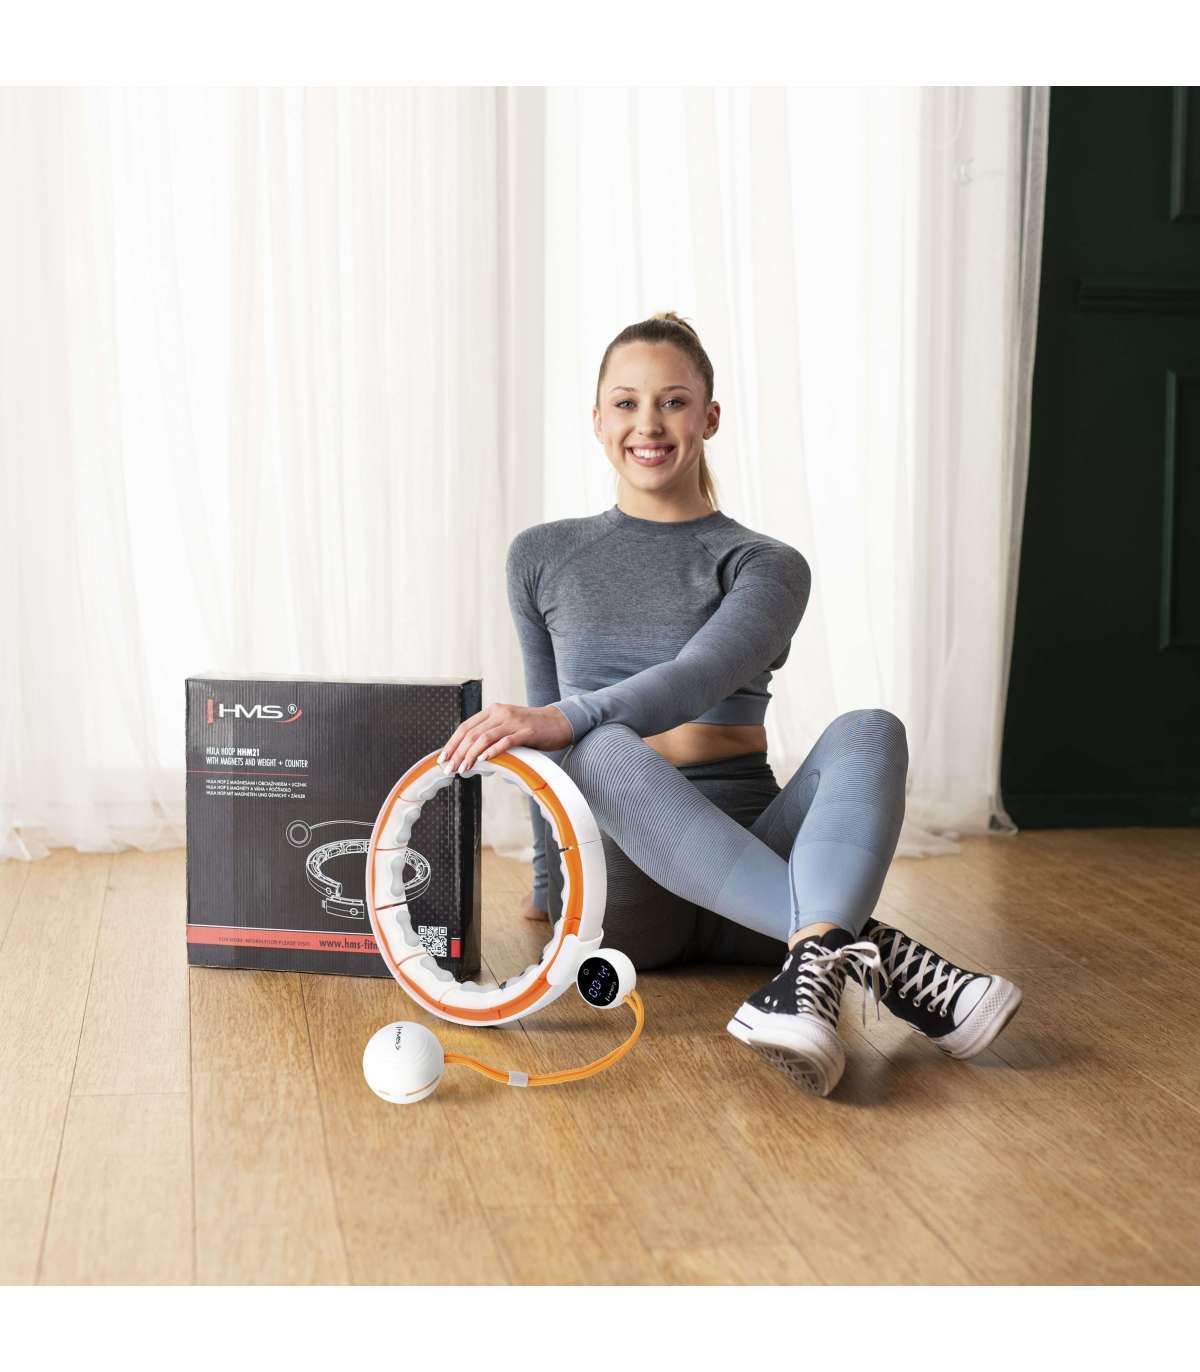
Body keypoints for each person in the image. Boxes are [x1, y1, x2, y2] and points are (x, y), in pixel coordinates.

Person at [438, 312, 1022, 1098]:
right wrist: (551, 888)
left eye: (674, 402)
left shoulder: (768, 564)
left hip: (756, 866)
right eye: (626, 403)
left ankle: (808, 960)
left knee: (871, 730)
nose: (649, 424)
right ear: (597, 419)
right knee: (599, 749)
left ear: (709, 418)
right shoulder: (542, 555)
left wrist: (568, 717)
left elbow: (697, 676)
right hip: (627, 896)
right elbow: (549, 747)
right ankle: (858, 952)